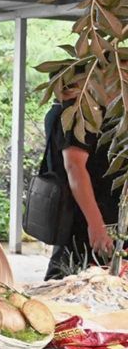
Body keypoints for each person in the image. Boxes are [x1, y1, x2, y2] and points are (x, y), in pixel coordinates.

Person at [44, 79, 120, 280]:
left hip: (89, 212)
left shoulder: (73, 108)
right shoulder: (81, 112)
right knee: (72, 278)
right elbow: (74, 167)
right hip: (87, 216)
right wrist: (96, 223)